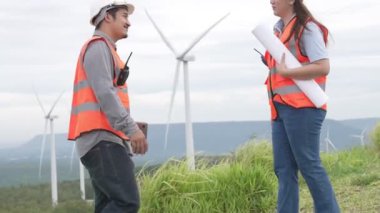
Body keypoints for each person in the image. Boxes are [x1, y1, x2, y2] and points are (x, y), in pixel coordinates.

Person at [68, 0, 148, 212]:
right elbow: (105, 93)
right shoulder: (97, 48)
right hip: (101, 140)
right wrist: (131, 129)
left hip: (104, 139)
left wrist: (128, 132)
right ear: (107, 16)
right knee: (126, 202)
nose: (128, 22)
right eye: (124, 15)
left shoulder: (107, 51)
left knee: (107, 205)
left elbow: (107, 96)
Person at [263, 0, 340, 212]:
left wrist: (288, 73)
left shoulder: (308, 27)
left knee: (309, 166)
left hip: (303, 108)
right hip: (280, 108)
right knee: (284, 169)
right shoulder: (278, 31)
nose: (270, 1)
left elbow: (323, 66)